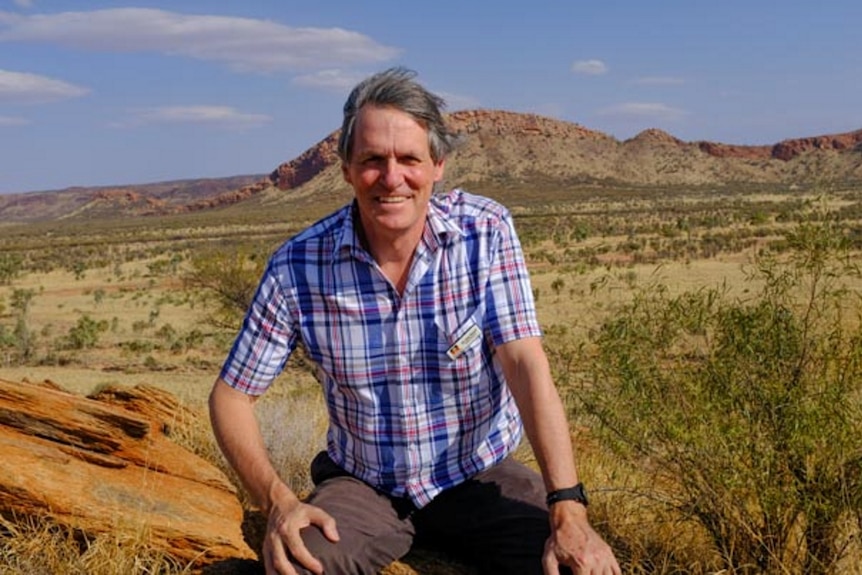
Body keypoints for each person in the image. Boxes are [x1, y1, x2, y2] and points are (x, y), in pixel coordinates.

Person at [209, 67, 620, 575]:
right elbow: (231, 397)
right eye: (372, 160)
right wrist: (278, 503)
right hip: (365, 483)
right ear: (345, 169)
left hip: (477, 474)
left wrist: (568, 504)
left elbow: (524, 363)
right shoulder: (299, 266)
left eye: (409, 159)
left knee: (573, 564)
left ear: (438, 165)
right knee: (297, 565)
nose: (392, 178)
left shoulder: (484, 233)